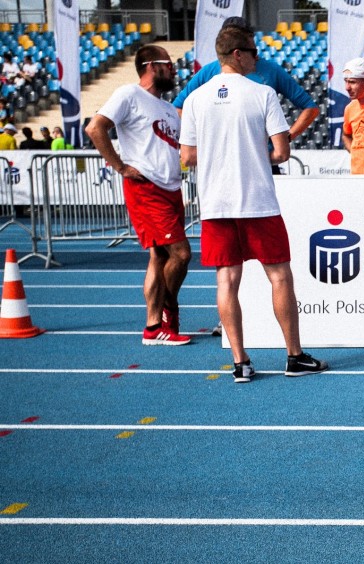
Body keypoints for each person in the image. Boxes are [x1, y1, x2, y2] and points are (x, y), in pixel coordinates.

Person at [179, 26, 328, 382]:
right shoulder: (262, 93)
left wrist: (220, 151)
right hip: (258, 199)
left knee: (227, 281)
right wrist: (252, 150)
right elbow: (281, 151)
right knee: (279, 276)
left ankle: (240, 361)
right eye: (253, 51)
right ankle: (293, 355)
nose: (257, 59)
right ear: (238, 54)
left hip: (216, 202)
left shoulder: (196, 99)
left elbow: (187, 156)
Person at [85, 44, 192, 346]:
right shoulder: (128, 95)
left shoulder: (169, 109)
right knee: (181, 254)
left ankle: (153, 326)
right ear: (151, 66)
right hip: (147, 189)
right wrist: (120, 167)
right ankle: (170, 316)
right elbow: (96, 128)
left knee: (159, 257)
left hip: (171, 189)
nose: (173, 69)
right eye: (168, 64)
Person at [173, 16, 319, 154]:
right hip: (221, 159)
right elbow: (178, 108)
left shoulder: (271, 70)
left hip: (260, 157)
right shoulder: (208, 71)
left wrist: (286, 138)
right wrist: (202, 137)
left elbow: (310, 108)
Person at [341, 57, 364, 174]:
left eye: (352, 82)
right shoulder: (350, 108)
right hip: (357, 176)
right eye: (346, 81)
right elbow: (346, 135)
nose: (347, 87)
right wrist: (354, 150)